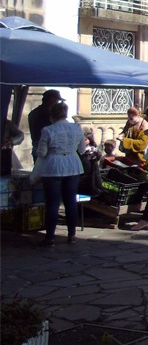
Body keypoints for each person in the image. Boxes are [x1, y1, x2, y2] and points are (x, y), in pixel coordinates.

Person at [32, 101, 87, 246]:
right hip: (72, 165)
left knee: (52, 202)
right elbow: (82, 149)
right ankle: (72, 235)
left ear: (52, 115)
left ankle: (50, 237)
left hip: (53, 166)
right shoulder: (76, 128)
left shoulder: (48, 130)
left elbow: (42, 152)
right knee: (70, 201)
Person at [28, 89, 62, 161]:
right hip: (46, 148)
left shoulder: (33, 112)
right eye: (57, 100)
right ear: (52, 99)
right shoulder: (49, 114)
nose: (57, 103)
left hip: (37, 146)